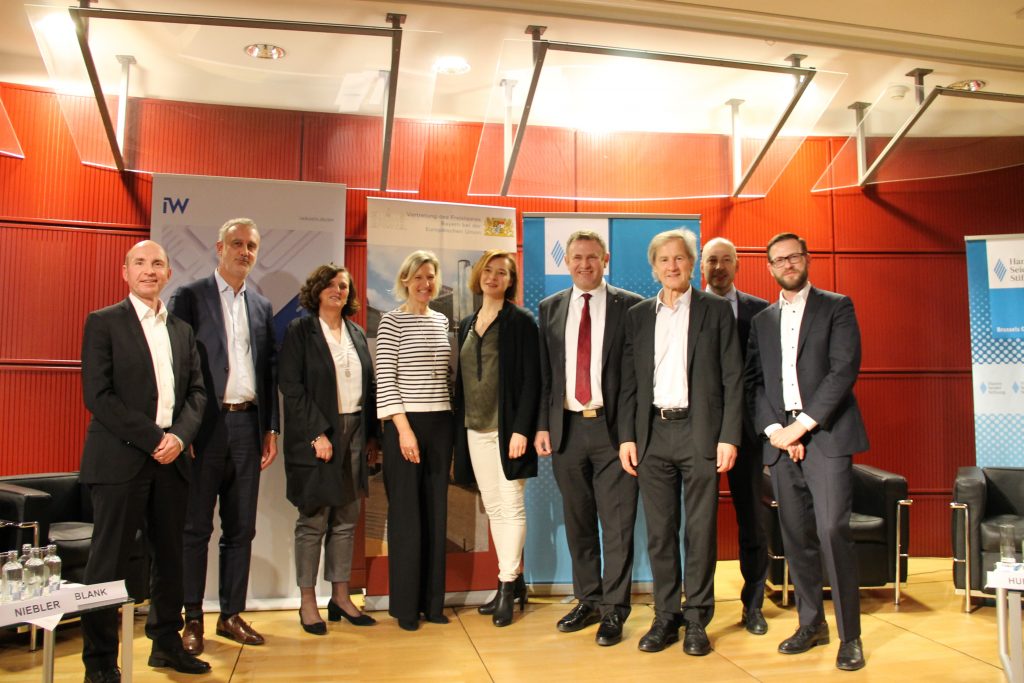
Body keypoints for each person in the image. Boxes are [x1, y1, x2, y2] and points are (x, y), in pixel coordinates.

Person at [79, 240, 209, 682]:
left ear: (168, 273)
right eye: (140, 263)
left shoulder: (182, 330)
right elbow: (98, 395)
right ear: (125, 272)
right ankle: (99, 663)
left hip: (172, 461)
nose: (149, 270)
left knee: (170, 558)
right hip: (120, 460)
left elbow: (197, 393)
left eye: (158, 263)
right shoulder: (103, 322)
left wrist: (180, 437)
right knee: (108, 564)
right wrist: (156, 438)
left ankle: (166, 645)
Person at [745, 232, 869, 672]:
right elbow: (756, 383)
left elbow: (843, 371)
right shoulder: (762, 320)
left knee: (832, 531)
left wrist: (802, 426)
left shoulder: (837, 306)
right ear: (769, 267)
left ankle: (850, 636)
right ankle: (811, 624)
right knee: (796, 536)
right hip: (782, 441)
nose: (787, 264)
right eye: (778, 259)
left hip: (827, 436)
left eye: (793, 256)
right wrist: (778, 431)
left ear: (807, 258)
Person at [618, 228, 743, 656]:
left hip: (700, 432)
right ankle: (666, 616)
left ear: (692, 264)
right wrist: (627, 437)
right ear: (653, 268)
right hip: (652, 435)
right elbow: (629, 384)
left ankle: (697, 620)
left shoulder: (716, 310)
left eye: (680, 258)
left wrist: (729, 436)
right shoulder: (637, 315)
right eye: (664, 260)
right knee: (660, 533)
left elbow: (733, 378)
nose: (672, 266)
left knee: (700, 531)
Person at [168, 217, 279, 653]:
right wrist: (183, 429)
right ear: (219, 248)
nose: (244, 251)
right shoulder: (190, 296)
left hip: (248, 426)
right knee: (196, 528)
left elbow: (268, 372)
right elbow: (176, 367)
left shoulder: (262, 306)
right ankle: (192, 617)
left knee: (241, 528)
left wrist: (271, 427)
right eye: (236, 243)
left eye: (251, 245)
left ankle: (230, 615)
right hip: (205, 427)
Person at [535, 230, 643, 647]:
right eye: (577, 257)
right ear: (567, 262)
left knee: (617, 526)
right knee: (578, 523)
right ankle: (589, 600)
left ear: (606, 259)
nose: (584, 264)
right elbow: (546, 374)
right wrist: (542, 425)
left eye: (592, 257)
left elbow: (635, 379)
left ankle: (614, 609)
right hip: (566, 429)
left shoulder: (630, 306)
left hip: (613, 432)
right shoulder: (550, 308)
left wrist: (630, 435)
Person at [278, 264, 381, 635]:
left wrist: (372, 437)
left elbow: (370, 385)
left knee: (347, 519)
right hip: (319, 435)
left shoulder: (356, 332)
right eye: (331, 284)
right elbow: (291, 386)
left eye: (344, 285)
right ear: (317, 289)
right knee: (313, 521)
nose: (338, 290)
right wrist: (316, 434)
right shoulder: (300, 330)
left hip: (356, 431)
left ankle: (341, 596)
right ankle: (308, 602)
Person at [453, 250, 540, 627]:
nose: (493, 277)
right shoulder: (467, 324)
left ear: (510, 280)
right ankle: (514, 583)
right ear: (479, 276)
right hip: (475, 429)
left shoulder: (521, 321)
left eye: (501, 272)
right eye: (488, 270)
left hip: (508, 432)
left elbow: (533, 379)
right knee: (494, 507)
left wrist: (522, 429)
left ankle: (505, 586)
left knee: (512, 504)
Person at [376, 250, 454, 631]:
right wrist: (404, 430)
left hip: (441, 424)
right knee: (407, 517)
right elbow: (385, 378)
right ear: (405, 280)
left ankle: (432, 604)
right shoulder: (392, 321)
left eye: (431, 277)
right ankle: (406, 608)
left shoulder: (441, 320)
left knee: (436, 515)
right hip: (404, 426)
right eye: (419, 277)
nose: (425, 283)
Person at [700, 236, 771, 635]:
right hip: (700, 431)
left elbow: (767, 375)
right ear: (702, 267)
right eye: (712, 260)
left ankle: (753, 605)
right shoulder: (688, 308)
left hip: (748, 432)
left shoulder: (761, 311)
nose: (719, 267)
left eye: (726, 260)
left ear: (738, 265)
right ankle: (700, 608)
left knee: (753, 521)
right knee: (700, 524)